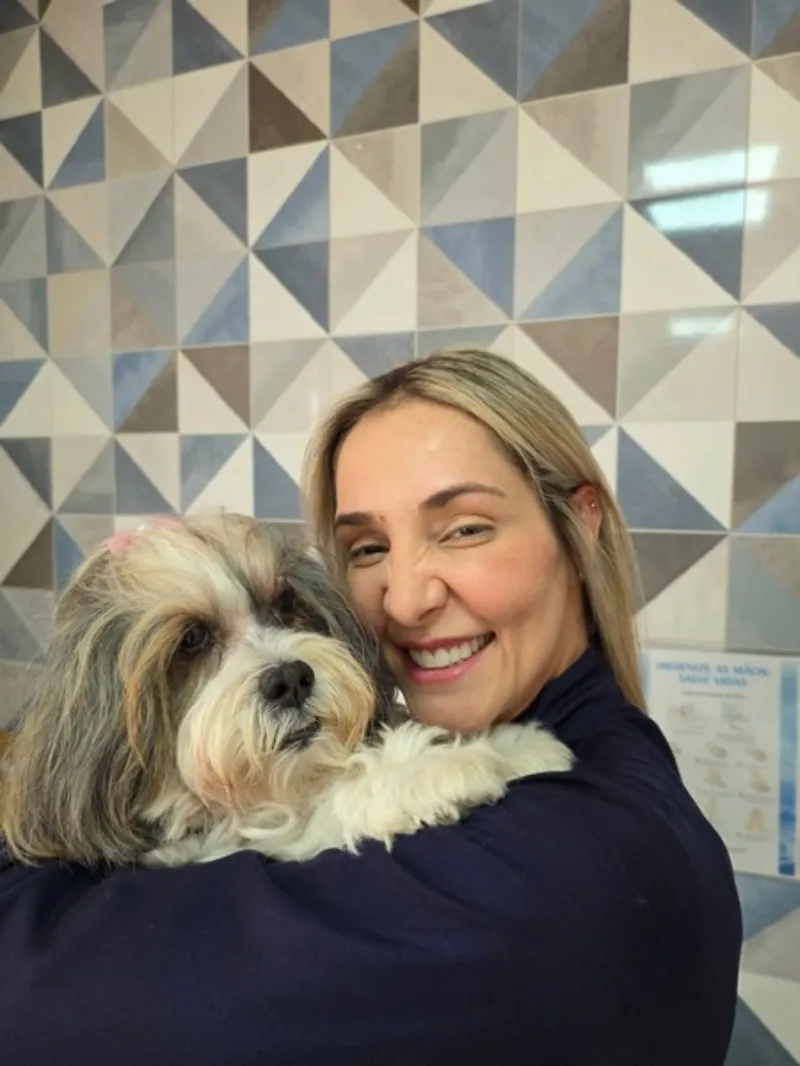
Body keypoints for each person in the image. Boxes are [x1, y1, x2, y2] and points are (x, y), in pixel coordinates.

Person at [0, 348, 742, 1065]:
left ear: (580, 524)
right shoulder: (613, 774)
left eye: (465, 529)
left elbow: (37, 996)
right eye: (367, 549)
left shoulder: (564, 865)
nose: (407, 599)